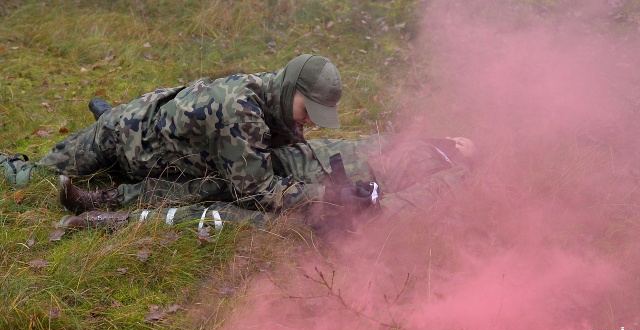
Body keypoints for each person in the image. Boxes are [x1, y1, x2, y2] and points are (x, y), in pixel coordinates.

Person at [34, 54, 371, 217]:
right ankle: (100, 193)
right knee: (34, 175)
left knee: (227, 178)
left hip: (166, 130)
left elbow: (290, 153)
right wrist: (327, 198)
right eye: (309, 109)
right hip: (123, 140)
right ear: (291, 89)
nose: (312, 121)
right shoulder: (242, 112)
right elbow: (260, 192)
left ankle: (110, 115)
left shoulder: (273, 92)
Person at [57, 133, 476, 233]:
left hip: (333, 201)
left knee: (225, 216)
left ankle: (115, 221)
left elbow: (413, 202)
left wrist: (368, 205)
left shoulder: (457, 176)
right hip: (309, 161)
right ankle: (105, 196)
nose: (463, 139)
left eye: (469, 144)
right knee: (214, 181)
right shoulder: (427, 140)